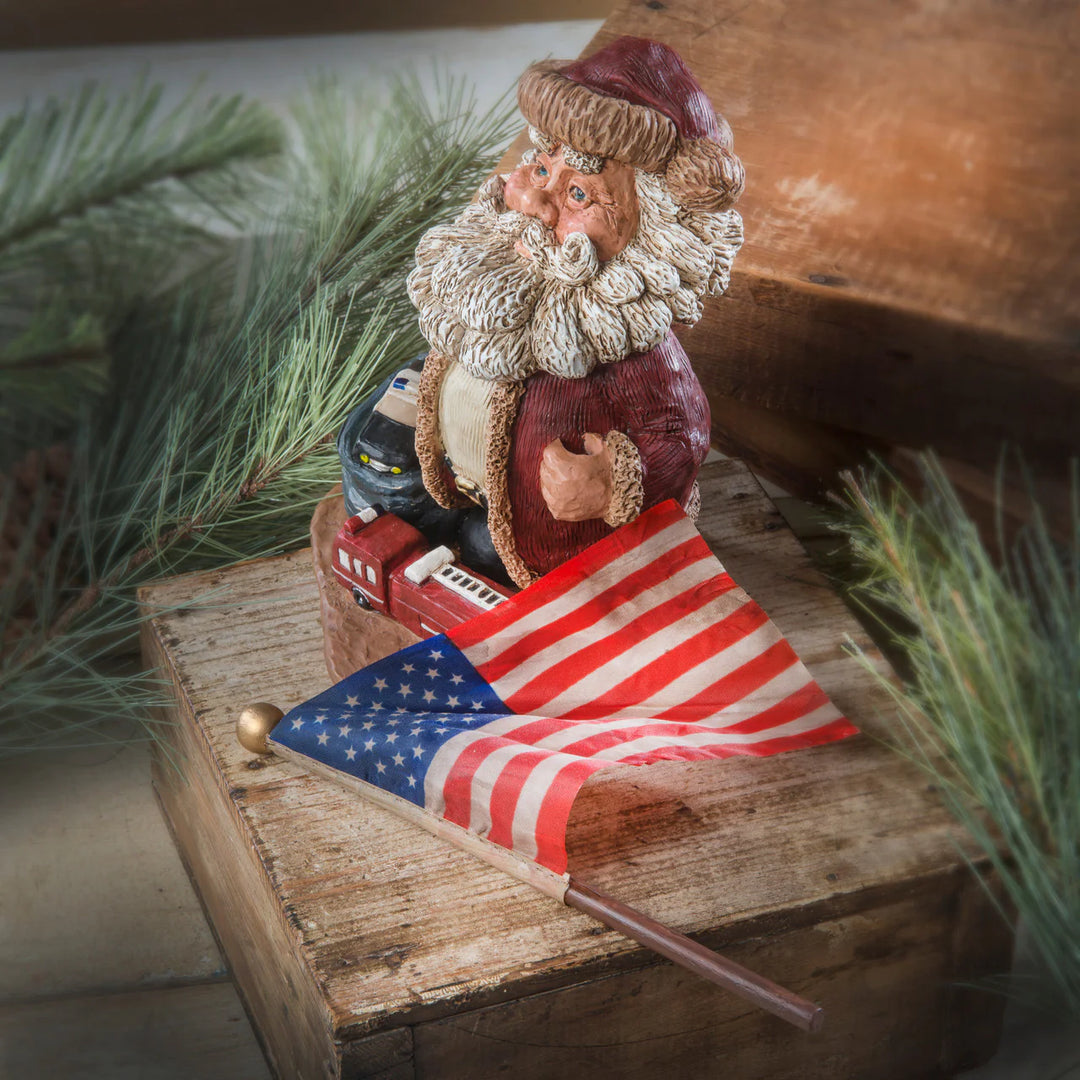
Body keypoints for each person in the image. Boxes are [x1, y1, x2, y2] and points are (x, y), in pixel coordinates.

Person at [406, 36, 745, 587]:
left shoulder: (620, 340)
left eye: (580, 196)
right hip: (461, 498)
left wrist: (616, 481)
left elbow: (682, 434)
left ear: (649, 231)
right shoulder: (499, 285)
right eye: (541, 172)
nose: (539, 206)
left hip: (550, 549)